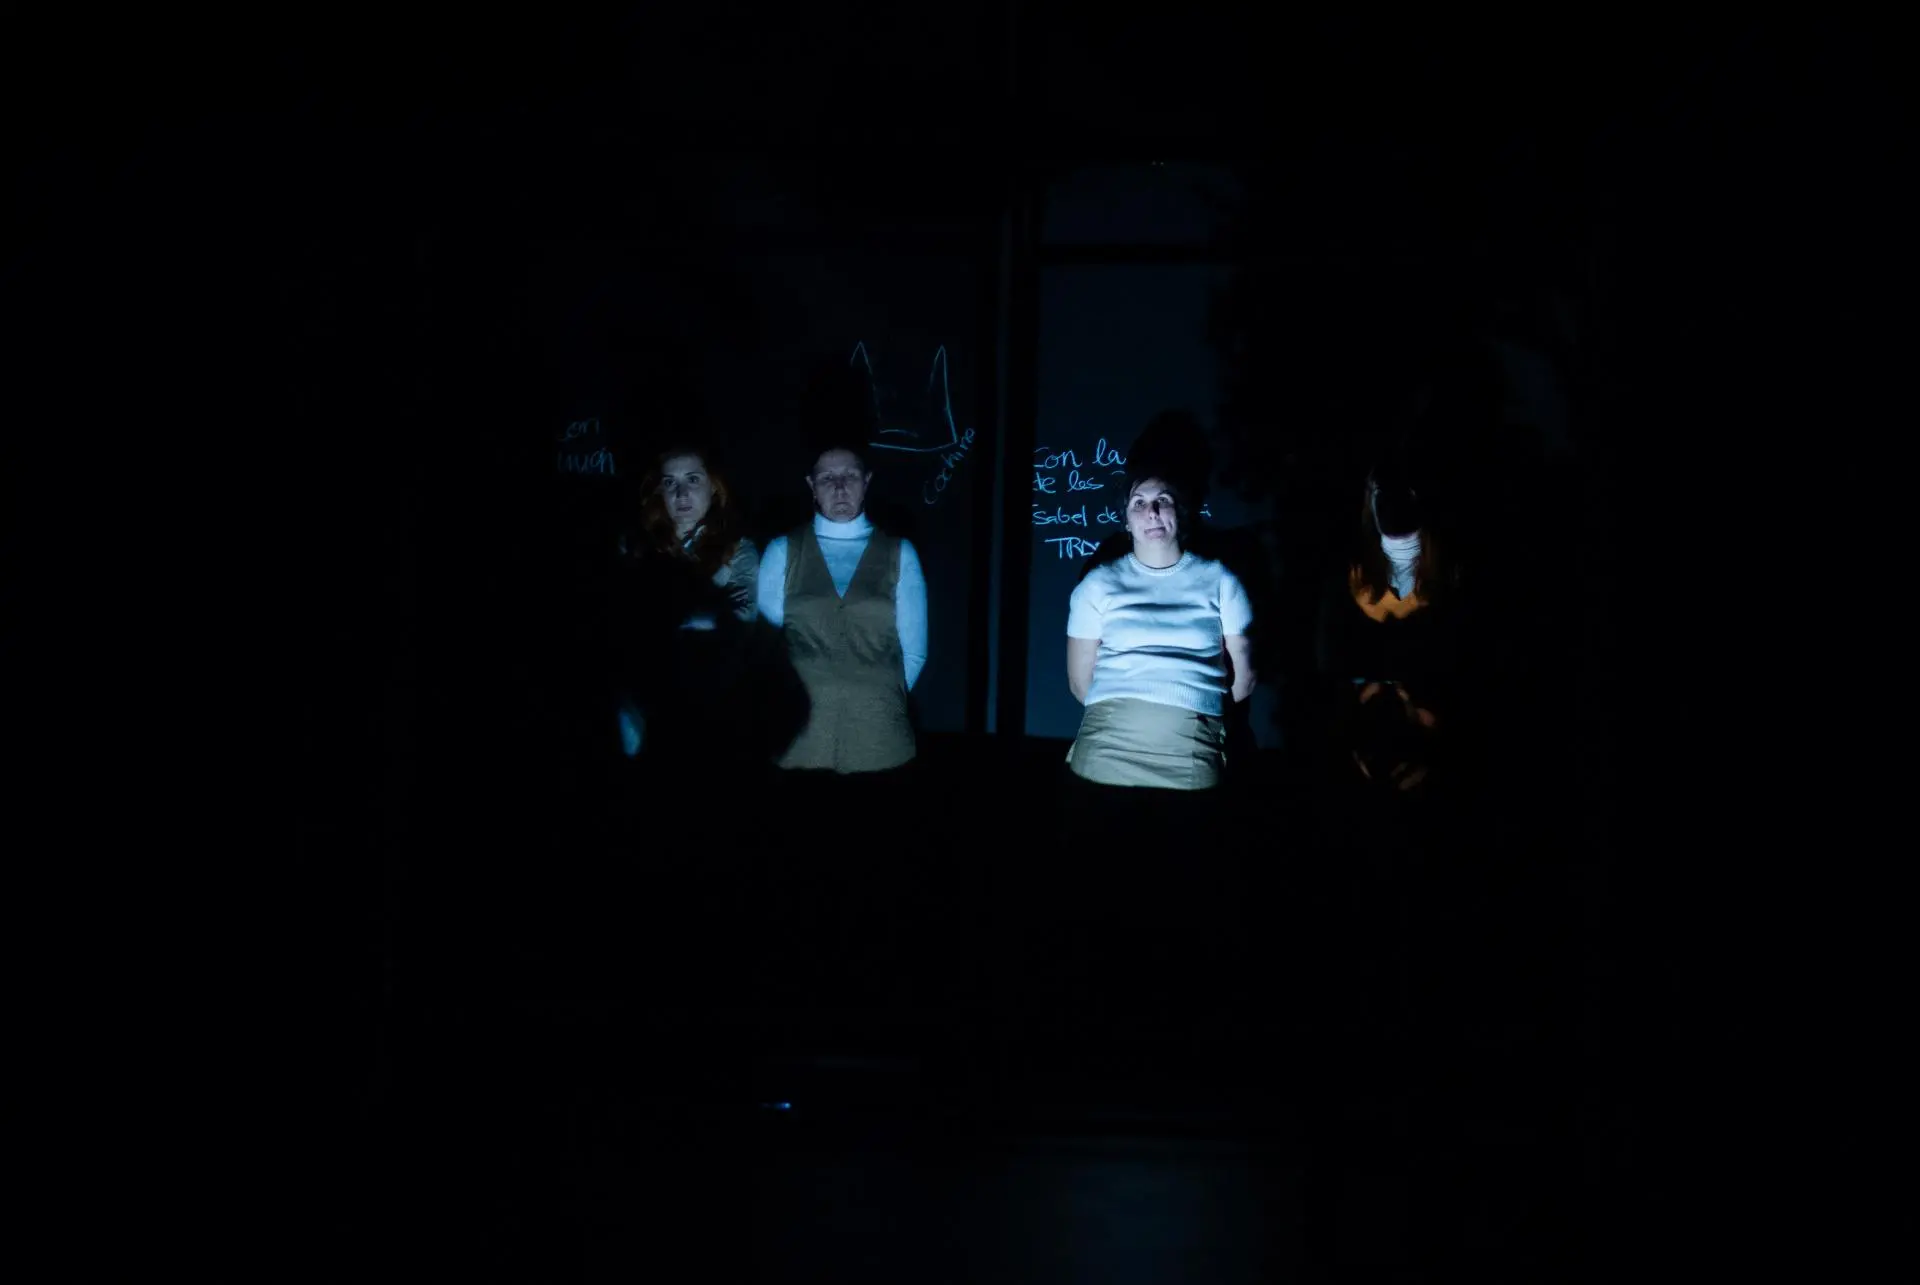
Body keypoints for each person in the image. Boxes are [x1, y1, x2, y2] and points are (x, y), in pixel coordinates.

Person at [1063, 472, 1255, 791]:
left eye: (1162, 501)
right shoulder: (1097, 584)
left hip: (1191, 750)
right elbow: (1079, 683)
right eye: (1139, 503)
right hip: (1105, 748)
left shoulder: (1221, 581)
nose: (1151, 512)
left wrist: (1196, 713)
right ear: (1126, 521)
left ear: (1179, 512)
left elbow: (1243, 680)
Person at [755, 438, 928, 776]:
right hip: (799, 737)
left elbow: (915, 651)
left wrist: (877, 696)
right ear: (812, 486)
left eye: (850, 476)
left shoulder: (899, 552)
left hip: (880, 736)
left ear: (866, 482)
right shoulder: (783, 551)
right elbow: (766, 642)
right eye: (827, 478)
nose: (839, 487)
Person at [615, 446, 765, 763]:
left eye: (693, 479)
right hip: (640, 703)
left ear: (714, 487)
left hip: (712, 701)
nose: (681, 493)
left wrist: (671, 618)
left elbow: (742, 616)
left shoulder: (738, 550)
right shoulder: (634, 546)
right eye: (670, 482)